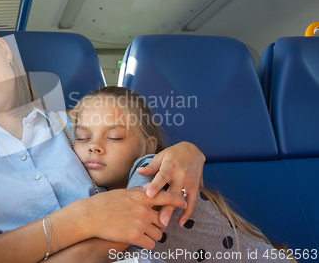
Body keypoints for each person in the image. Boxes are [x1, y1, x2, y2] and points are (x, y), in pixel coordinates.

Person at [0, 16, 206, 263]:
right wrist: (80, 219)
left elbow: (145, 170)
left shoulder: (77, 121)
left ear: (4, 50)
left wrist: (186, 151)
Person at [71, 86, 294, 263]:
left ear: (147, 147)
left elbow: (105, 249)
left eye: (114, 137)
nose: (94, 146)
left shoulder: (153, 171)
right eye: (82, 137)